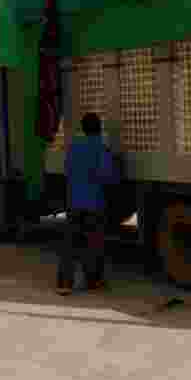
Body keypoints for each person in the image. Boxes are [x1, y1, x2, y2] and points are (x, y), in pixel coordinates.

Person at [58, 112, 119, 295]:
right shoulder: (101, 148)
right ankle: (93, 281)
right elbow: (107, 176)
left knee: (70, 243)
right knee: (93, 243)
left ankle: (64, 283)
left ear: (83, 129)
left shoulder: (73, 147)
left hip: (74, 201)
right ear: (99, 129)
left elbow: (67, 170)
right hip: (94, 202)